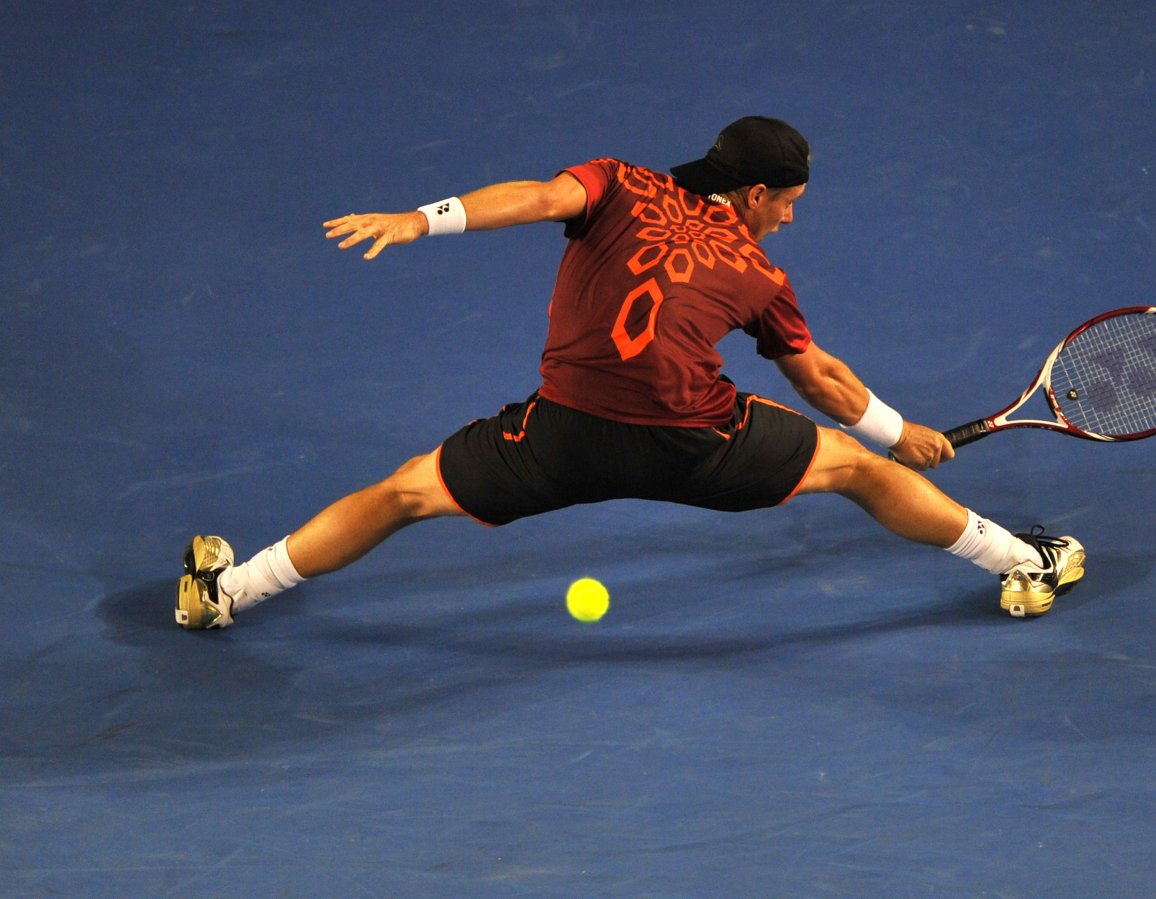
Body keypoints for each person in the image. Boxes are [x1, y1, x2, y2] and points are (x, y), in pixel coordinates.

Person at [175, 116, 1084, 630]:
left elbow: (537, 198)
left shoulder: (617, 181)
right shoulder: (761, 274)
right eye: (789, 203)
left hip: (559, 439)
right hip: (699, 445)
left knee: (401, 494)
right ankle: (1024, 564)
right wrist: (897, 434)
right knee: (859, 470)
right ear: (755, 195)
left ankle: (226, 593)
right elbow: (823, 382)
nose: (791, 220)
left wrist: (422, 218)